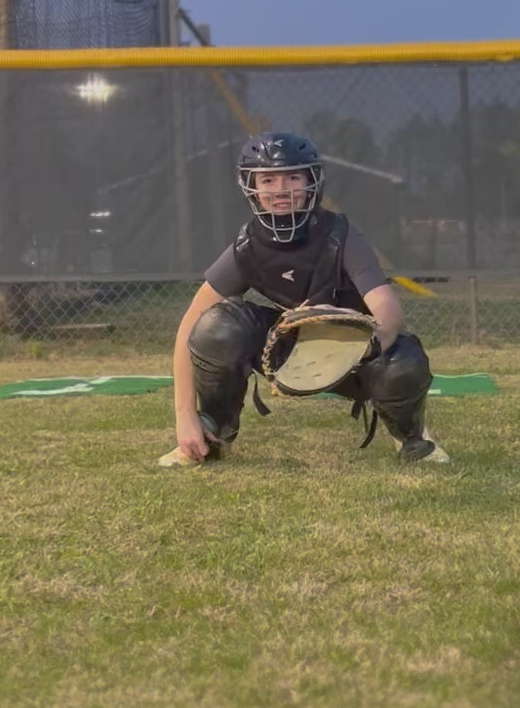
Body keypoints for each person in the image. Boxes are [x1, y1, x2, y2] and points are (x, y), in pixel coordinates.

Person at [159, 131, 449, 467]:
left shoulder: (340, 235)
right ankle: (210, 435)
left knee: (402, 357)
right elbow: (189, 329)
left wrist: (356, 341)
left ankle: (410, 438)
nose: (281, 190)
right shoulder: (247, 247)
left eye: (293, 177)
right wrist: (184, 417)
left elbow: (389, 310)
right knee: (215, 327)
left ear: (312, 181)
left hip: (353, 355)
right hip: (288, 350)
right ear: (251, 186)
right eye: (268, 180)